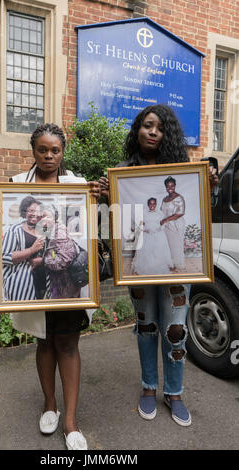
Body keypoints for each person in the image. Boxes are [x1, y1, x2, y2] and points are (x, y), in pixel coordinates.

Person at [99, 104, 218, 427]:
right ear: (137, 128)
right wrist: (105, 196)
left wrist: (209, 184)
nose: (153, 132)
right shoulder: (122, 171)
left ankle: (175, 393)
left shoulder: (184, 170)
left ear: (168, 135)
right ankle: (149, 388)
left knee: (175, 330)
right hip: (140, 258)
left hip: (169, 260)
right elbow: (118, 221)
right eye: (147, 125)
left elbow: (197, 208)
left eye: (160, 128)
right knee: (147, 327)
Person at [0, 123, 101, 450]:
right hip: (34, 288)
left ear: (63, 151)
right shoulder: (13, 187)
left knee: (67, 345)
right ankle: (50, 404)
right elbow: (3, 238)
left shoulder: (78, 186)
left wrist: (104, 194)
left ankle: (71, 421)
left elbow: (86, 232)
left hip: (63, 287)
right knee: (45, 343)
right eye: (42, 149)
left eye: (55, 150)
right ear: (32, 150)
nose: (49, 155)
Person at [2, 196, 45, 301]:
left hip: (42, 281)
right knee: (25, 315)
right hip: (21, 283)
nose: (35, 214)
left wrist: (42, 260)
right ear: (24, 211)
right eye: (31, 211)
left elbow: (50, 253)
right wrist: (31, 250)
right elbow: (4, 257)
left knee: (42, 315)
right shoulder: (14, 230)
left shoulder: (44, 230)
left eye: (38, 211)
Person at [131, 197, 173, 275]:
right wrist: (145, 229)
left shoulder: (160, 213)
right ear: (148, 204)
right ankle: (147, 266)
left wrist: (159, 229)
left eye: (154, 203)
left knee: (158, 250)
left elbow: (163, 223)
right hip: (147, 234)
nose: (152, 205)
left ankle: (158, 265)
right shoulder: (144, 213)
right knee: (147, 251)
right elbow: (139, 224)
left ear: (156, 204)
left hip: (158, 234)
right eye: (150, 203)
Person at [160, 177, 186, 271]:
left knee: (175, 245)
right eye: (168, 186)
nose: (170, 188)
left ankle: (176, 264)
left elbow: (180, 213)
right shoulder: (164, 199)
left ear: (175, 186)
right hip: (166, 225)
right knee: (167, 245)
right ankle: (169, 263)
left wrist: (166, 220)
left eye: (172, 186)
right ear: (166, 187)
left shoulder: (179, 198)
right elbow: (161, 212)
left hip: (176, 225)